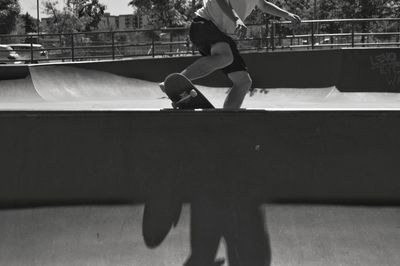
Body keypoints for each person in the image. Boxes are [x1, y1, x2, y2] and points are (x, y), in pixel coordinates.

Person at [162, 0, 301, 109]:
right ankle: (175, 83)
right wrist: (237, 19)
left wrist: (287, 15)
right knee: (226, 56)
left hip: (223, 36)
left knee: (243, 82)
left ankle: (227, 118)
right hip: (204, 24)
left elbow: (263, 5)